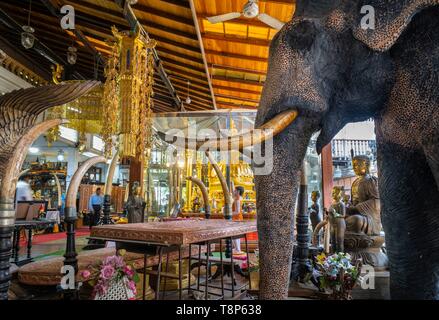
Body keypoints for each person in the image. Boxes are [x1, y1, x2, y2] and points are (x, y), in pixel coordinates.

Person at [232, 186, 244, 253]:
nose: (234, 191)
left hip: (237, 218)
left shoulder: (237, 200)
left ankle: (237, 249)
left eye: (235, 190)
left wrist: (229, 213)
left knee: (235, 234)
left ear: (238, 191)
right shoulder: (238, 198)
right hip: (237, 218)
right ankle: (237, 248)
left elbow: (237, 211)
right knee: (236, 234)